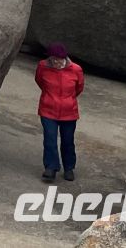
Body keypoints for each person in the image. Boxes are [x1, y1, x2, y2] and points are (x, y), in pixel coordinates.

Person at [35, 42, 84, 182]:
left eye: (60, 60)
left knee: (68, 141)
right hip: (48, 110)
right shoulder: (43, 66)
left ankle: (69, 168)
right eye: (54, 60)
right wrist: (49, 96)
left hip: (69, 112)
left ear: (65, 58)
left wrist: (68, 100)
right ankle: (51, 167)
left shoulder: (76, 69)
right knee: (49, 140)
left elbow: (79, 88)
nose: (57, 62)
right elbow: (39, 81)